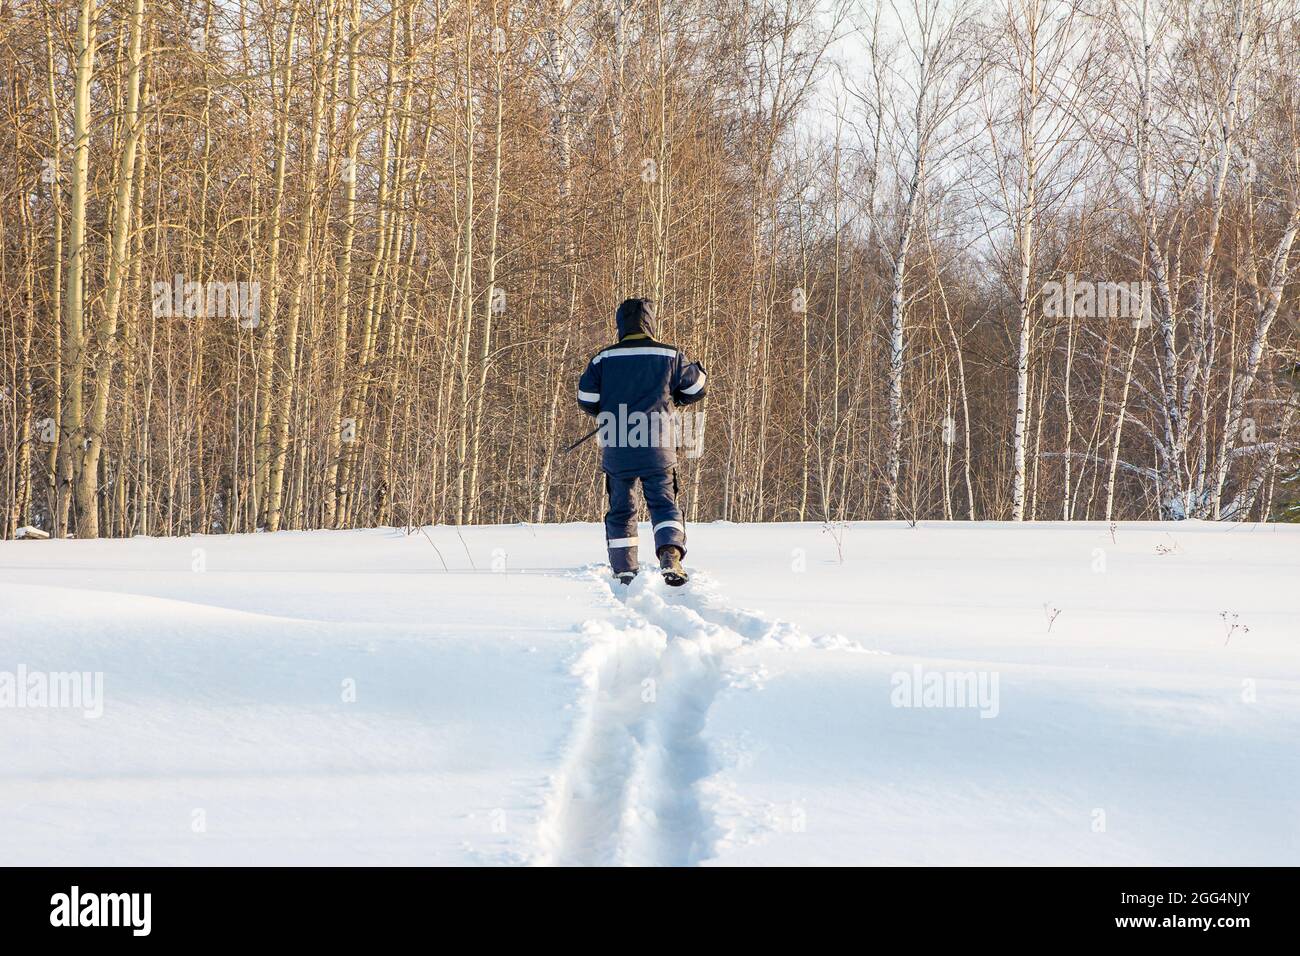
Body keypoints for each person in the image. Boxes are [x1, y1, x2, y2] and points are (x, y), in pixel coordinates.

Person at [576, 298, 707, 586]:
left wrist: (606, 409)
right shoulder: (669, 355)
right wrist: (678, 397)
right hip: (657, 447)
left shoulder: (602, 359)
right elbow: (697, 387)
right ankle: (670, 554)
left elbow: (586, 399)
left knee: (622, 509)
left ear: (620, 324)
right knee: (663, 504)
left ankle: (624, 570)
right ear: (650, 322)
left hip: (618, 444)